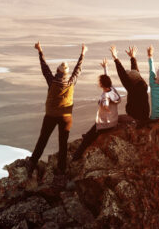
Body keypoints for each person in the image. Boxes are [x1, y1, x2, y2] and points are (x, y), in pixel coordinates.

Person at [28, 41, 87, 175]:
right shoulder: (71, 82)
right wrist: (83, 54)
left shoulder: (52, 81)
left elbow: (44, 67)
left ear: (57, 71)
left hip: (50, 116)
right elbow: (78, 70)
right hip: (66, 117)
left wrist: (40, 50)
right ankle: (61, 168)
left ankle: (32, 162)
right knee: (63, 142)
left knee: (43, 139)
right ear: (66, 73)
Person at [73, 58, 121, 160]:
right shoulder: (113, 89)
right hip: (113, 121)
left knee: (86, 140)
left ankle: (76, 157)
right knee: (91, 130)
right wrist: (105, 68)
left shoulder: (105, 95)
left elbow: (105, 102)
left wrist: (105, 106)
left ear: (101, 85)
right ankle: (89, 134)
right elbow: (108, 80)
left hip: (106, 124)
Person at [110, 45, 150, 126]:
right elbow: (135, 72)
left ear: (130, 80)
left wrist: (116, 58)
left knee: (113, 119)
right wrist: (132, 57)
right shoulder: (142, 84)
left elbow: (122, 74)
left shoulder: (132, 88)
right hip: (145, 117)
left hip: (134, 118)